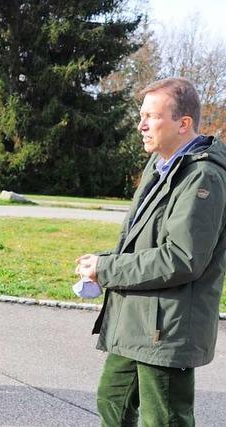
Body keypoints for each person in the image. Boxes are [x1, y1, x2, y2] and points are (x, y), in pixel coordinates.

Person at [76, 77, 226, 426]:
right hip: (136, 320)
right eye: (141, 115)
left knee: (164, 419)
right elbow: (144, 239)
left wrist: (108, 269)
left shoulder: (202, 177)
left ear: (183, 123)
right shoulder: (159, 165)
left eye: (151, 116)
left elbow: (182, 258)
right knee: (112, 403)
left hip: (167, 327)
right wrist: (102, 262)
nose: (141, 125)